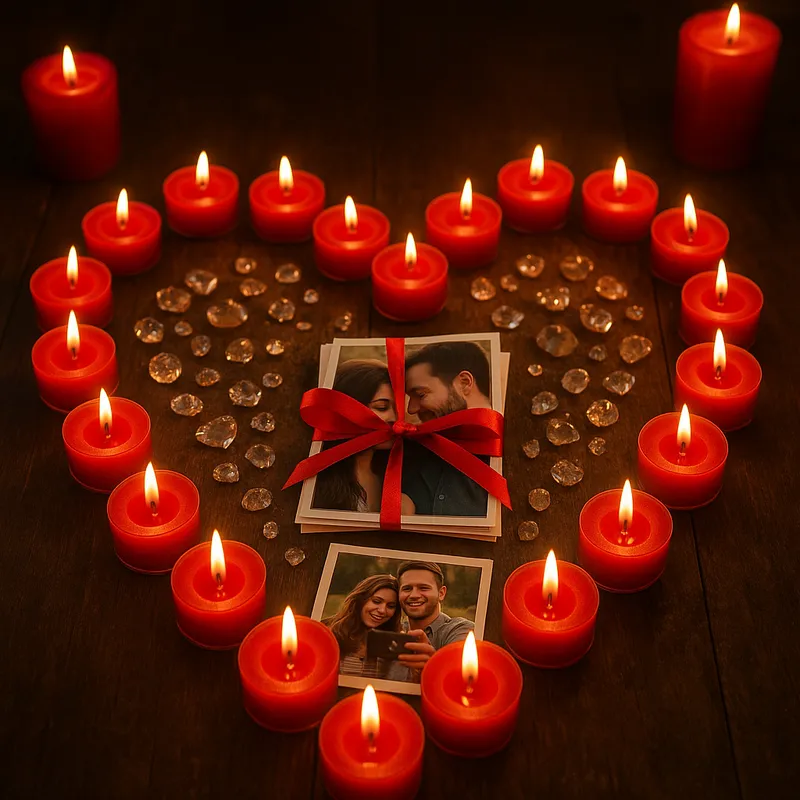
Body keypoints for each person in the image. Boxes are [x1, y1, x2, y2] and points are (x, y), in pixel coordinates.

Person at [402, 341, 493, 516]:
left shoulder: (506, 454)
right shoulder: (417, 454)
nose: (411, 409)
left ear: (464, 383)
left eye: (420, 395)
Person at [313, 359, 413, 514]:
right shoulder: (317, 481)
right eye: (382, 407)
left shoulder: (394, 479)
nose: (394, 418)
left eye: (398, 409)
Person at [386, 560, 475, 682]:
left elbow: (459, 680)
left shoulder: (461, 630)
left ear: (441, 593)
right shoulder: (392, 631)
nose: (414, 595)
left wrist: (433, 664)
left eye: (423, 588)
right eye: (407, 588)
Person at [325, 574, 402, 679]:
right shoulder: (329, 633)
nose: (382, 610)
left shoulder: (394, 644)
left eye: (391, 606)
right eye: (376, 601)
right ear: (361, 600)